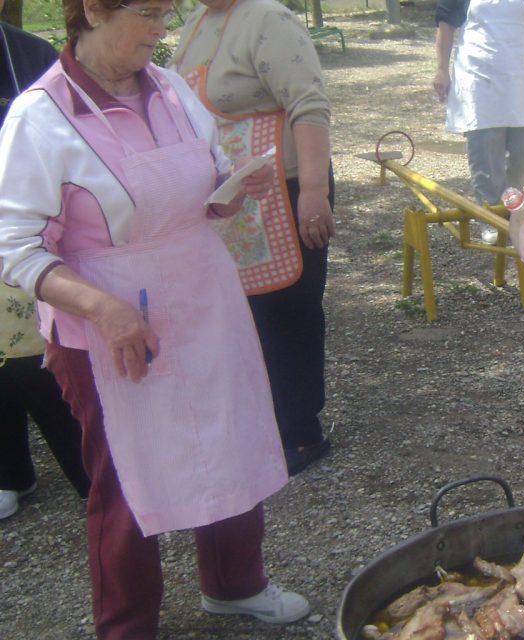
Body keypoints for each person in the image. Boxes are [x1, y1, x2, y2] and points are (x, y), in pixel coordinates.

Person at [0, 0, 311, 636]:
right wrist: (104, 309)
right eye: (148, 12)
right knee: (126, 473)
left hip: (203, 296)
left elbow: (208, 178)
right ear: (93, 9)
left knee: (229, 434)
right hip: (107, 321)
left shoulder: (168, 89)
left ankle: (233, 584)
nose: (162, 28)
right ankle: (127, 624)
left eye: (167, 12)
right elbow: (13, 245)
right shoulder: (41, 115)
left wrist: (229, 195)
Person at [171, 0, 336, 475]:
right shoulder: (196, 24)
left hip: (286, 189)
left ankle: (299, 432)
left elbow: (308, 103)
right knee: (242, 312)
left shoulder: (268, 18)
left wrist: (314, 191)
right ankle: (257, 424)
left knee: (288, 309)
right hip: (236, 197)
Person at [1, 11, 91, 520]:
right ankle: (10, 472)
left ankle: (89, 472)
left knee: (34, 361)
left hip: (22, 224)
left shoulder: (28, 54)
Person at [433, 0, 524, 244]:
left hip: (520, 76)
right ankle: (489, 215)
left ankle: (512, 202)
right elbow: (446, 25)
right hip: (478, 76)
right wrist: (441, 69)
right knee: (486, 151)